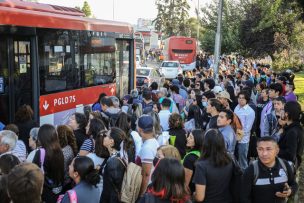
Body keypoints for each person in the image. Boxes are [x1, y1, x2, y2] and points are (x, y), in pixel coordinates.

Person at [242, 136, 298, 203]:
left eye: (268, 149)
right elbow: (244, 197)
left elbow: (293, 184)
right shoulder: (251, 170)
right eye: (260, 149)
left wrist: (290, 191)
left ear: (277, 150)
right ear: (257, 150)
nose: (264, 154)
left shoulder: (285, 165)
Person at [193, 129, 233, 203]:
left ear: (205, 143)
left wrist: (193, 194)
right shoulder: (230, 160)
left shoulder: (201, 166)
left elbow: (200, 197)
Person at [32, 124, 64, 203]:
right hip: (57, 188)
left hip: (44, 190)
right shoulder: (59, 151)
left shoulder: (40, 152)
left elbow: (33, 171)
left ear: (41, 137)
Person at [135, 115, 160, 197]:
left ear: (140, 129)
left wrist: (141, 194)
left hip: (148, 190)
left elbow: (146, 174)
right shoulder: (152, 141)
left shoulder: (147, 148)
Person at [100, 127, 126, 203]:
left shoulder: (114, 162)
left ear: (111, 141)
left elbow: (112, 189)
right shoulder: (115, 156)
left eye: (106, 135)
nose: (103, 137)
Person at [278, 101, 304, 168]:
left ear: (286, 114)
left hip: (286, 167)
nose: (281, 111)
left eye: (282, 110)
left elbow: (290, 155)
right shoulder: (295, 127)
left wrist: (274, 150)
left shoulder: (292, 131)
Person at [234, 91, 255, 170]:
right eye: (239, 98)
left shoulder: (250, 112)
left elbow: (247, 129)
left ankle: (245, 177)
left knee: (243, 161)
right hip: (235, 137)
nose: (240, 100)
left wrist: (238, 135)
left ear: (247, 100)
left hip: (243, 140)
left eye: (243, 98)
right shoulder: (237, 107)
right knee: (236, 159)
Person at [183, 129, 204, 194]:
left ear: (197, 141)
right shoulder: (203, 154)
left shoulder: (189, 158)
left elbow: (185, 184)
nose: (187, 139)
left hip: (191, 193)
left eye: (191, 137)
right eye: (188, 136)